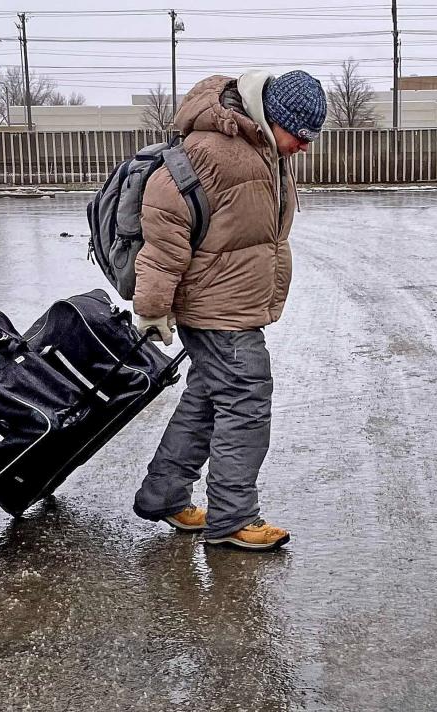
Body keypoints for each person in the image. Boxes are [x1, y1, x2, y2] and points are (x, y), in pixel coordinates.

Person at [131, 69, 327, 551]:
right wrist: (153, 306)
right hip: (216, 307)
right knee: (246, 398)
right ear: (272, 118)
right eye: (299, 136)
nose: (304, 147)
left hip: (232, 301)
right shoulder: (212, 149)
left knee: (207, 397)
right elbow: (164, 229)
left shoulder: (260, 146)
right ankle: (233, 517)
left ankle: (164, 495)